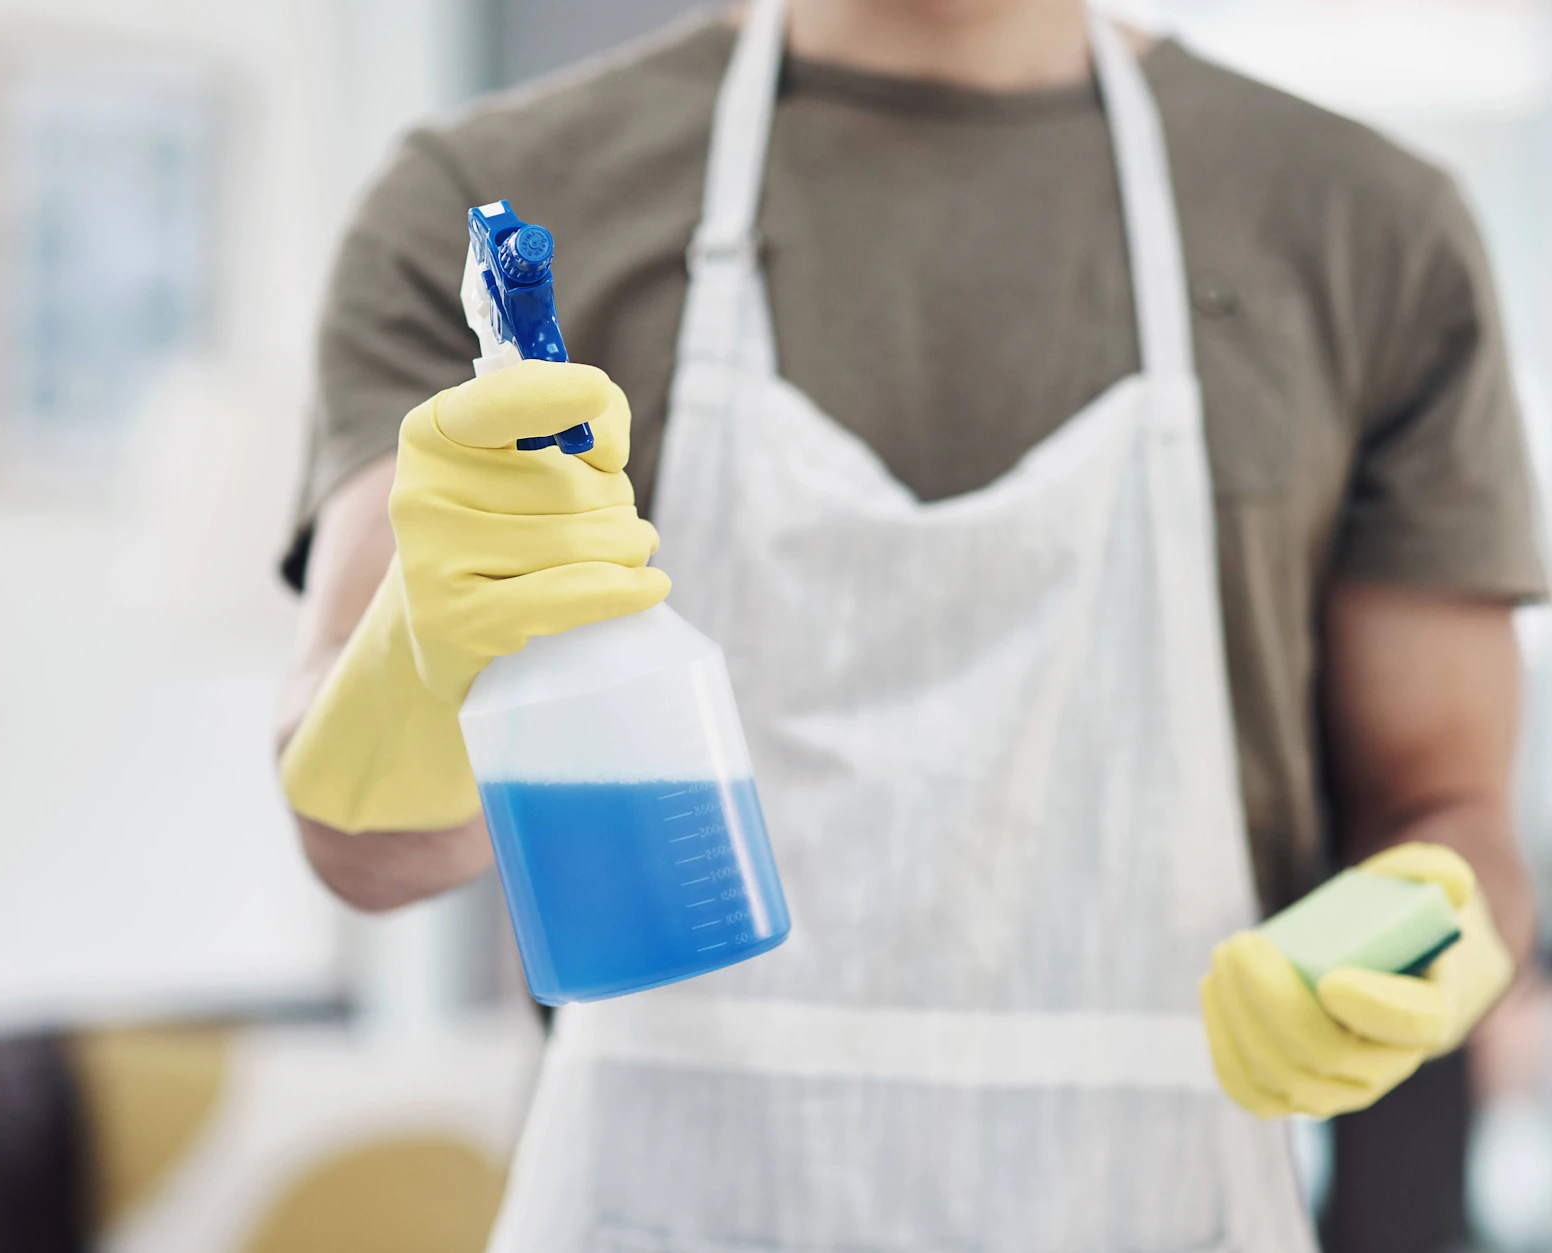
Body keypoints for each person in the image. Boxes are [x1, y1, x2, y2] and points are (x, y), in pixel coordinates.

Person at [273, 0, 1542, 1245]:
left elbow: (1452, 818)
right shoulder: (488, 199)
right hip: (666, 1203)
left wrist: (1427, 923)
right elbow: (366, 849)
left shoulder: (1364, 224)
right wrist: (423, 656)